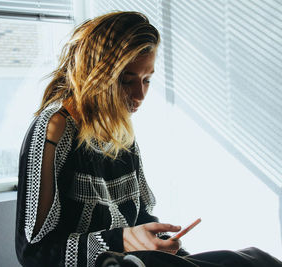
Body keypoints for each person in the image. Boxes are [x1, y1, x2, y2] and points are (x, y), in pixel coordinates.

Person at [15, 11, 282, 267]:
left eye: (146, 80)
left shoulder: (120, 130)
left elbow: (140, 216)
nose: (139, 95)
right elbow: (35, 253)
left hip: (141, 262)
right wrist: (123, 240)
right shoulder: (53, 129)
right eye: (126, 81)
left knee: (255, 259)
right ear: (95, 75)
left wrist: (168, 246)